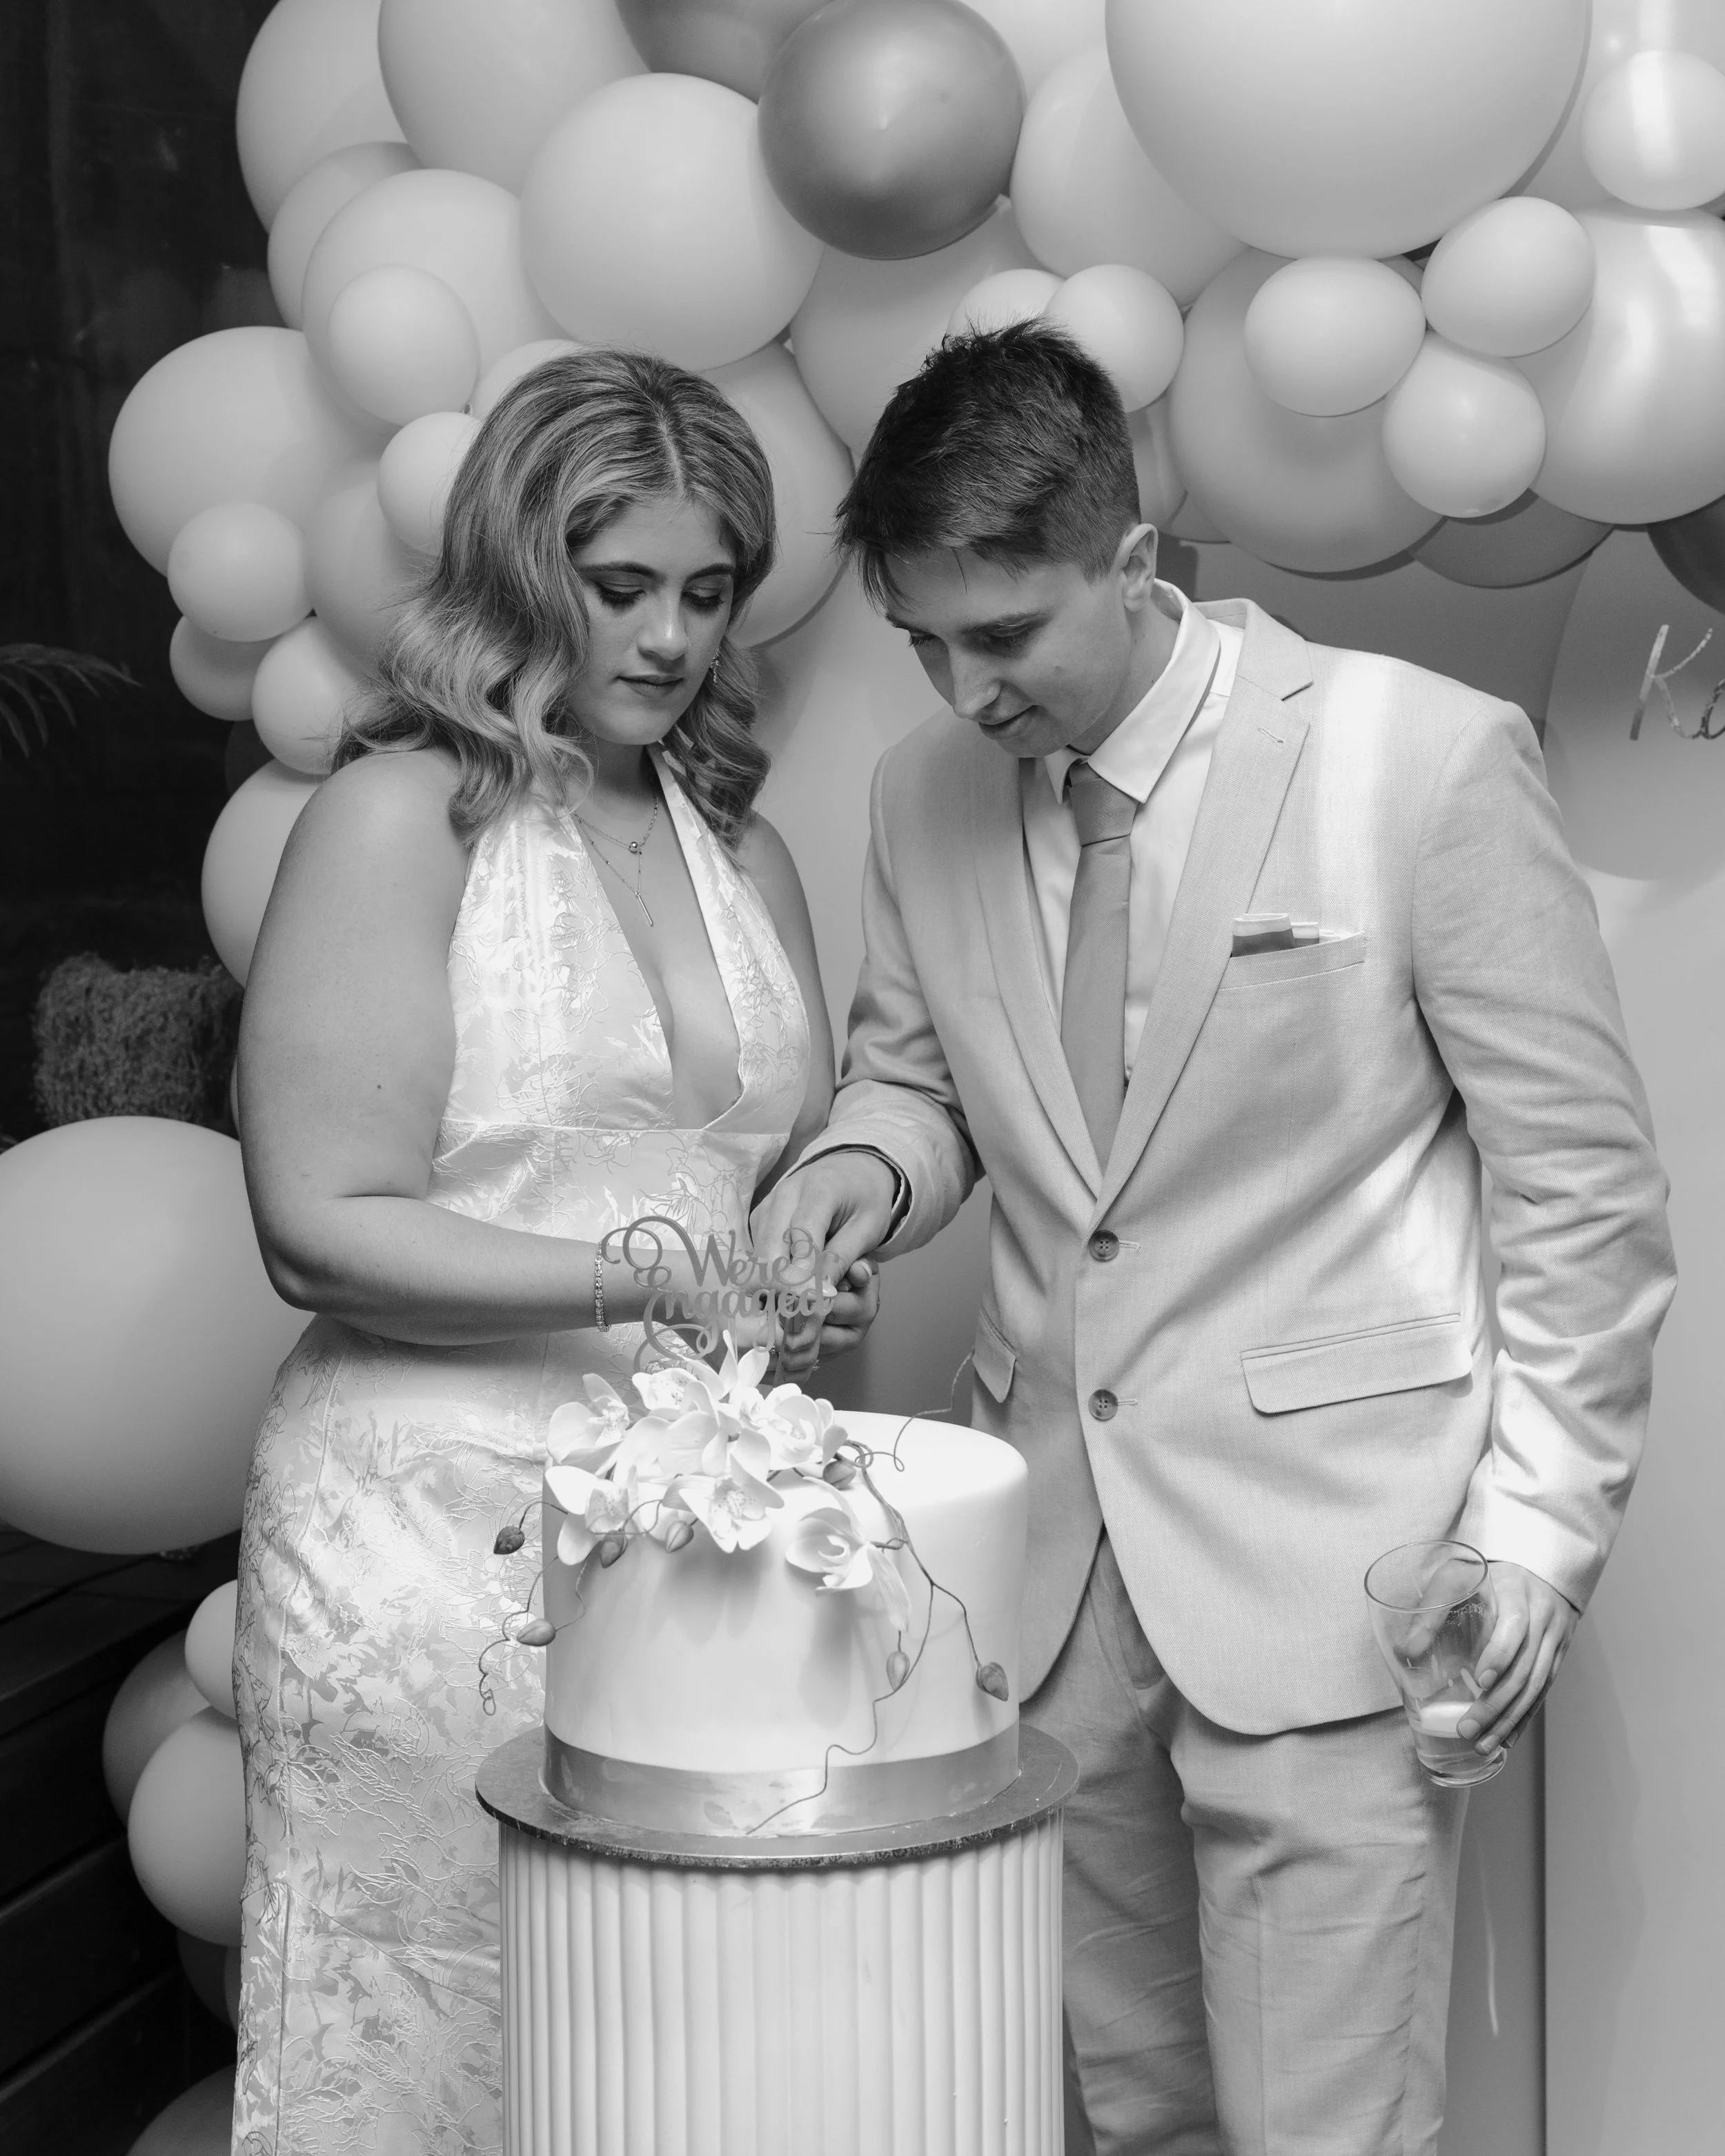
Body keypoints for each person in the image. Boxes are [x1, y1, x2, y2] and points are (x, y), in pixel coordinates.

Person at [751, 323, 1675, 2155]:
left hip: (1337, 1571)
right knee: (1134, 2115)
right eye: (922, 643)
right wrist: (856, 1168)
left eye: (1003, 635)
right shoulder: (918, 793)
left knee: (1326, 2131)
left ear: (1132, 559)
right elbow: (918, 1081)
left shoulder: (1418, 761)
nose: (962, 690)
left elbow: (1583, 1189)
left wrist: (1532, 1534)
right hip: (1048, 1575)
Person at [230, 349, 870, 2153]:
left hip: (706, 1537)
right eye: (619, 586)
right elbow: (316, 1226)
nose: (669, 637)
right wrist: (647, 1282)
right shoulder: (396, 818)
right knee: (442, 2039)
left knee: (699, 2058)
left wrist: (801, 1279)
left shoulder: (746, 849)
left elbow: (771, 1178)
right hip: (429, 1540)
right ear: (520, 574)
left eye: (708, 591)